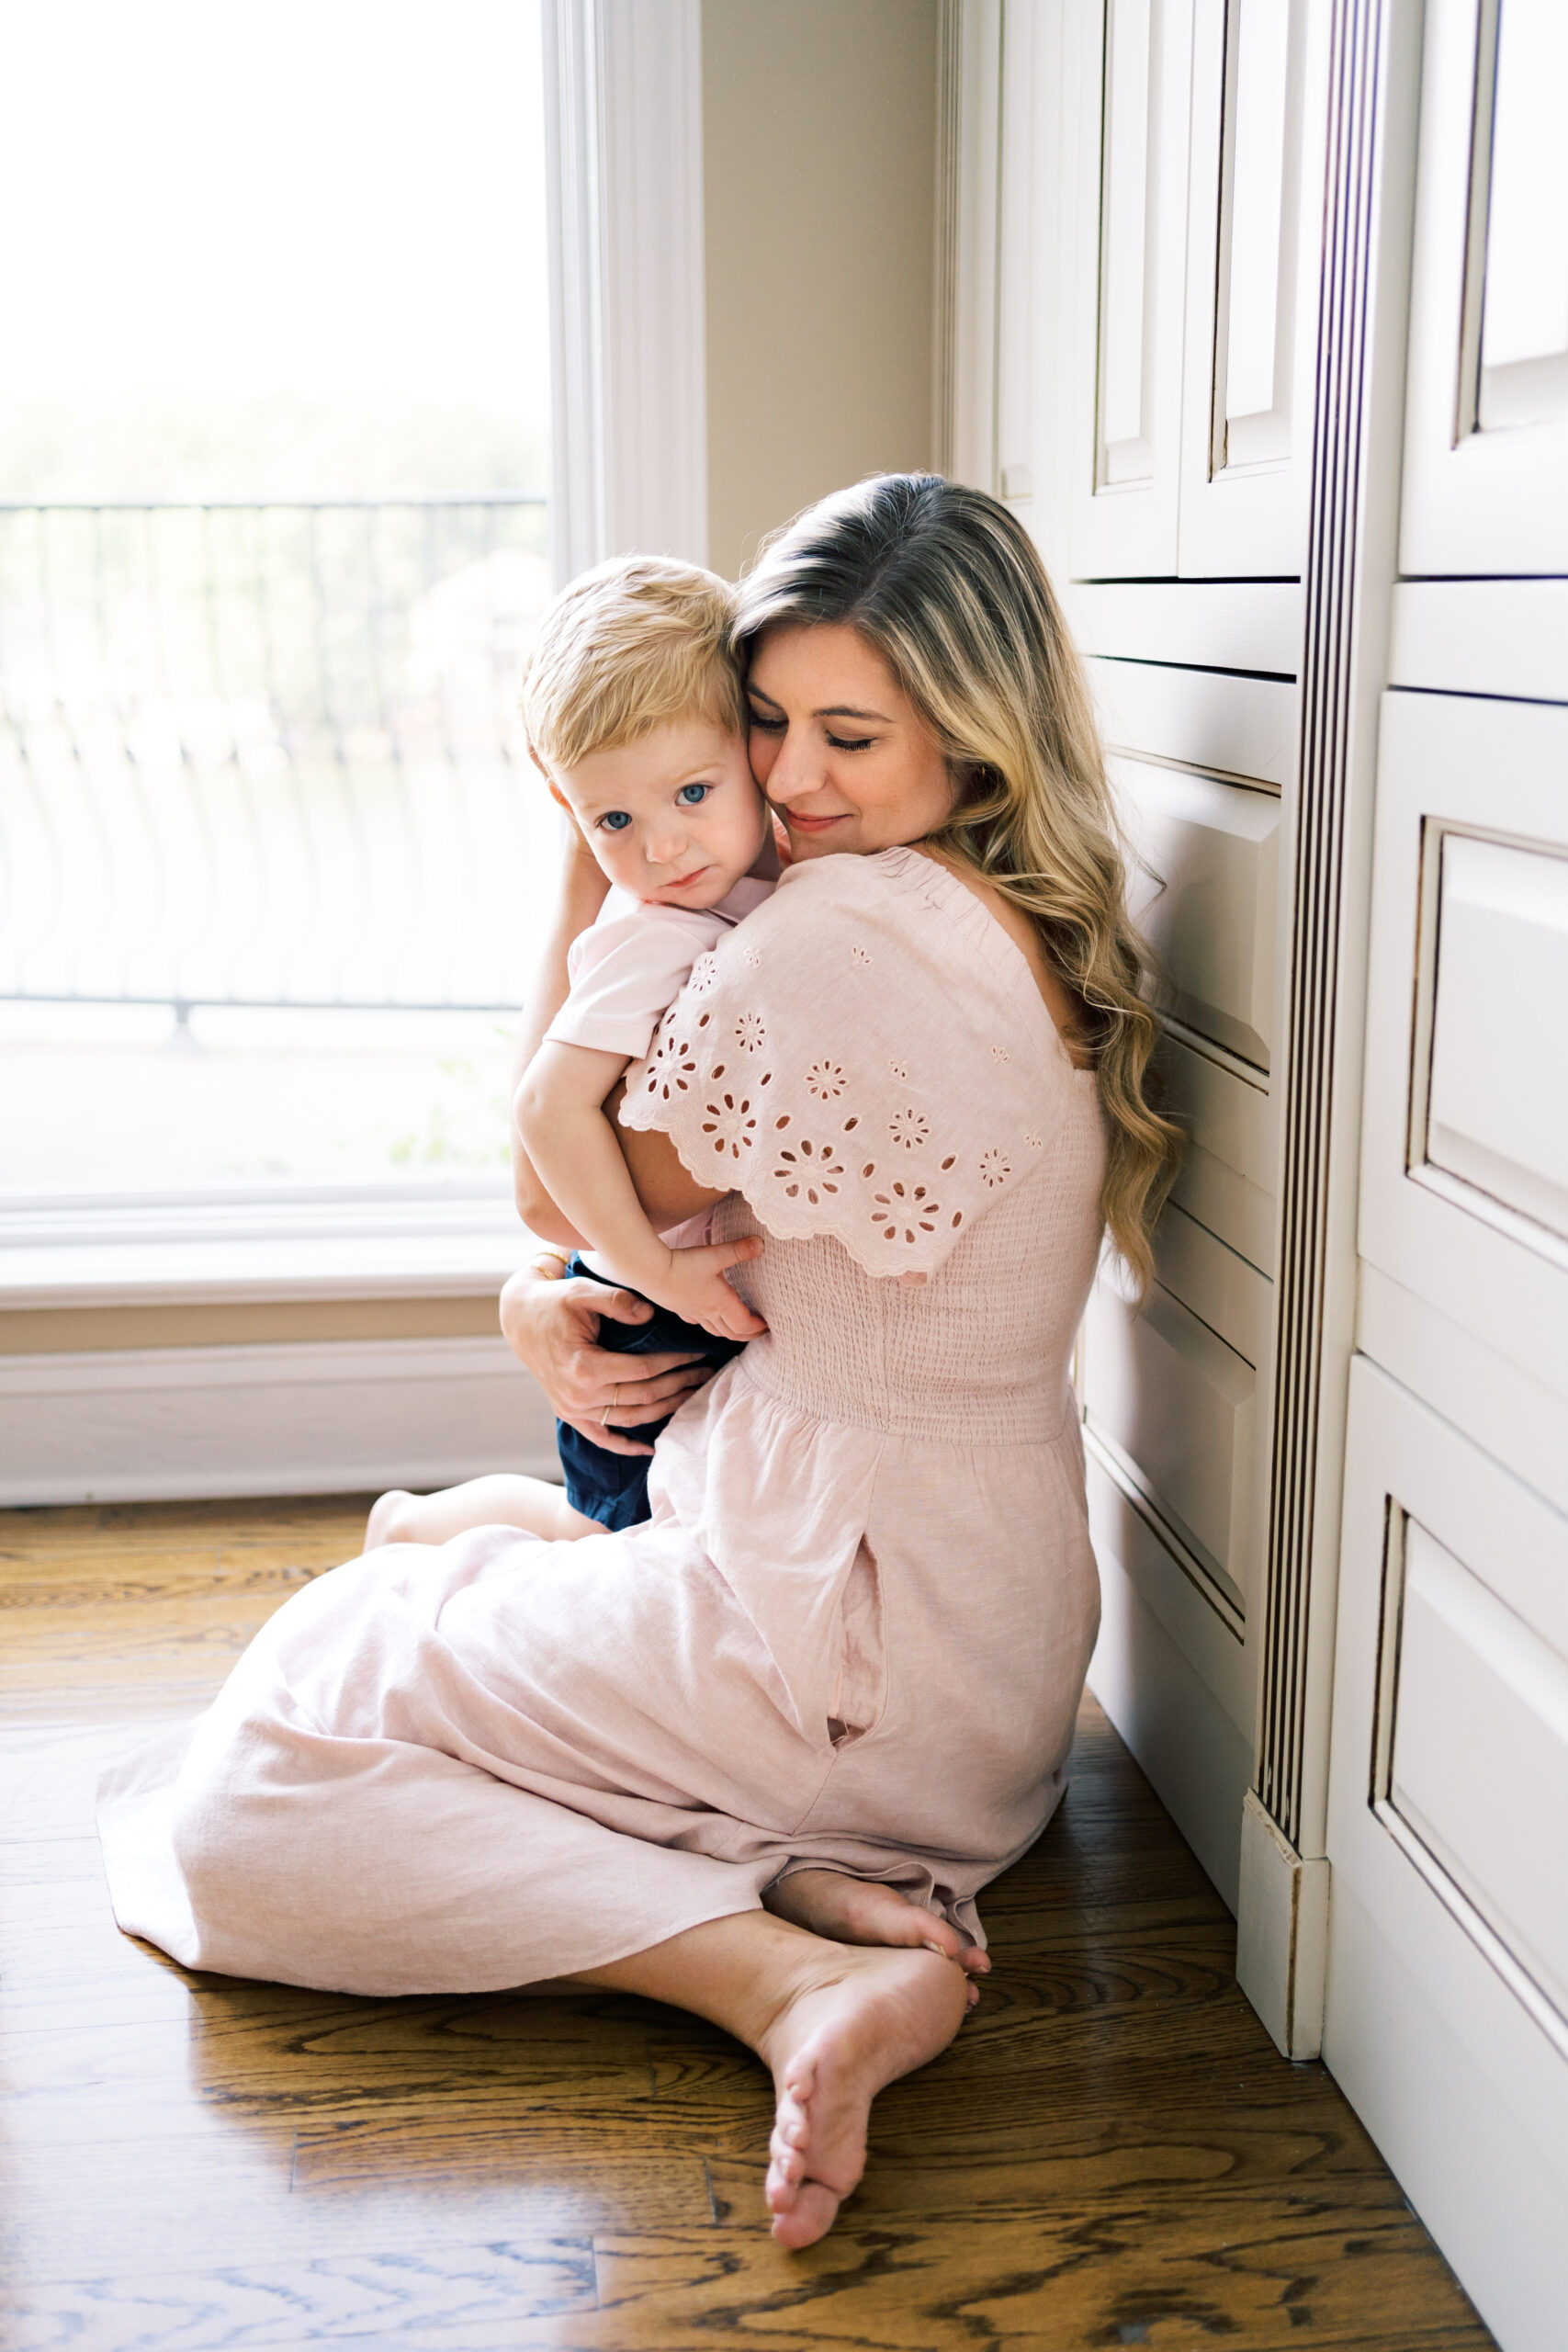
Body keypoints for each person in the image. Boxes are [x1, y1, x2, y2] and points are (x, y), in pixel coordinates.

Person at [98, 475, 1181, 2252]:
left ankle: (772, 1976)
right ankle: (794, 1866)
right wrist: (555, 1289)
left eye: (851, 733)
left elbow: (556, 1165)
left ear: (975, 734)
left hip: (853, 1650)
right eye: (763, 722)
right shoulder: (988, 909)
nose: (792, 783)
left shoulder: (840, 935)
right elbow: (655, 1233)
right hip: (970, 1644)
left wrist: (582, 839)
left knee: (281, 1736)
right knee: (458, 1565)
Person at [366, 555, 775, 1549]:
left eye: (691, 792)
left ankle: (419, 1525)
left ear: (752, 750)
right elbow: (546, 1110)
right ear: (569, 809)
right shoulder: (657, 931)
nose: (661, 850)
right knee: (616, 1547)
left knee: (623, 1539)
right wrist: (655, 1274)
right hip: (651, 1308)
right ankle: (415, 1535)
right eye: (616, 820)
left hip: (667, 1277)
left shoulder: (757, 884)